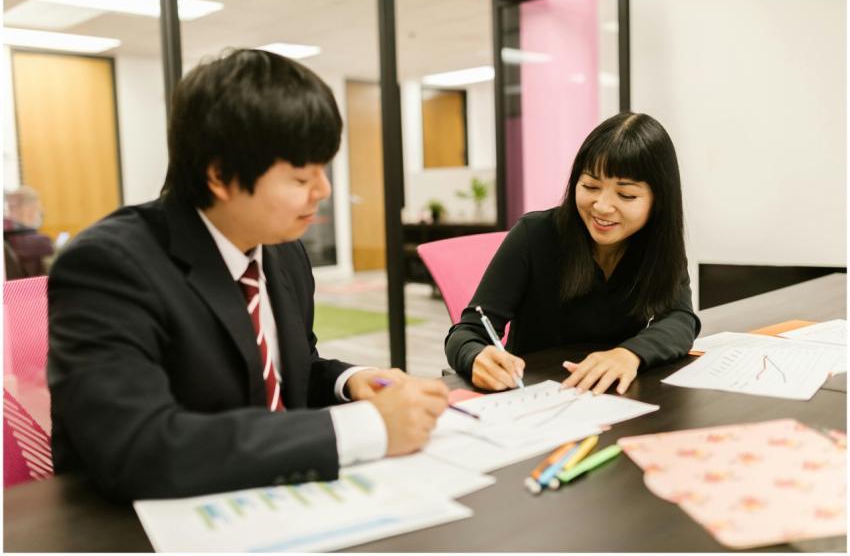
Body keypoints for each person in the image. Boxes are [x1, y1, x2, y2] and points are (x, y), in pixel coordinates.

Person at [48, 49, 449, 501]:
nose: (324, 190)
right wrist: (367, 428)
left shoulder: (283, 253)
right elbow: (138, 445)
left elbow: (284, 370)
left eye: (324, 169)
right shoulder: (111, 265)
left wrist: (350, 380)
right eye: (300, 178)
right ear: (220, 176)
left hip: (273, 498)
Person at [445, 112, 700, 395]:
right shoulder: (534, 235)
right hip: (534, 397)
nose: (602, 206)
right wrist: (476, 356)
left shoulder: (657, 245)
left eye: (626, 195)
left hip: (613, 398)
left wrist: (630, 354)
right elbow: (467, 332)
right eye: (590, 186)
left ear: (659, 200)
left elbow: (681, 319)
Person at [4, 185, 54, 278]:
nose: (41, 210)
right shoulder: (40, 242)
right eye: (37, 206)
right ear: (30, 209)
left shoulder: (6, 233)